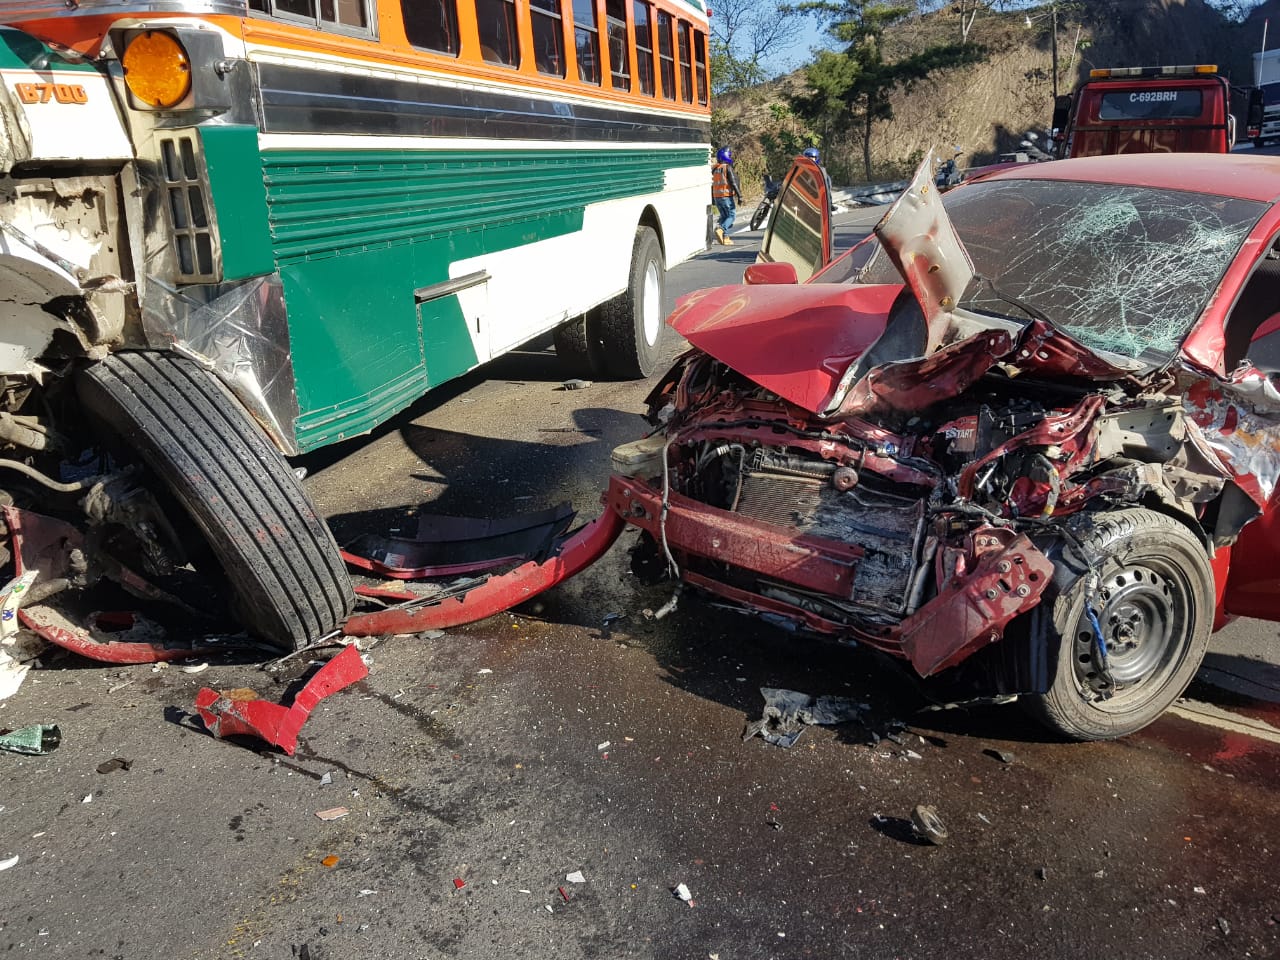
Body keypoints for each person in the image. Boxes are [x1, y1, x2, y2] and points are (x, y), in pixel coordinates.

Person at [711, 146, 742, 245]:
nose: (730, 156)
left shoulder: (714, 169)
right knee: (731, 216)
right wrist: (740, 196)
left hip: (717, 197)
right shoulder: (727, 168)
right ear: (725, 156)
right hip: (726, 196)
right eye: (729, 155)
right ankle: (720, 229)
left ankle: (726, 238)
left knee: (725, 217)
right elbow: (733, 183)